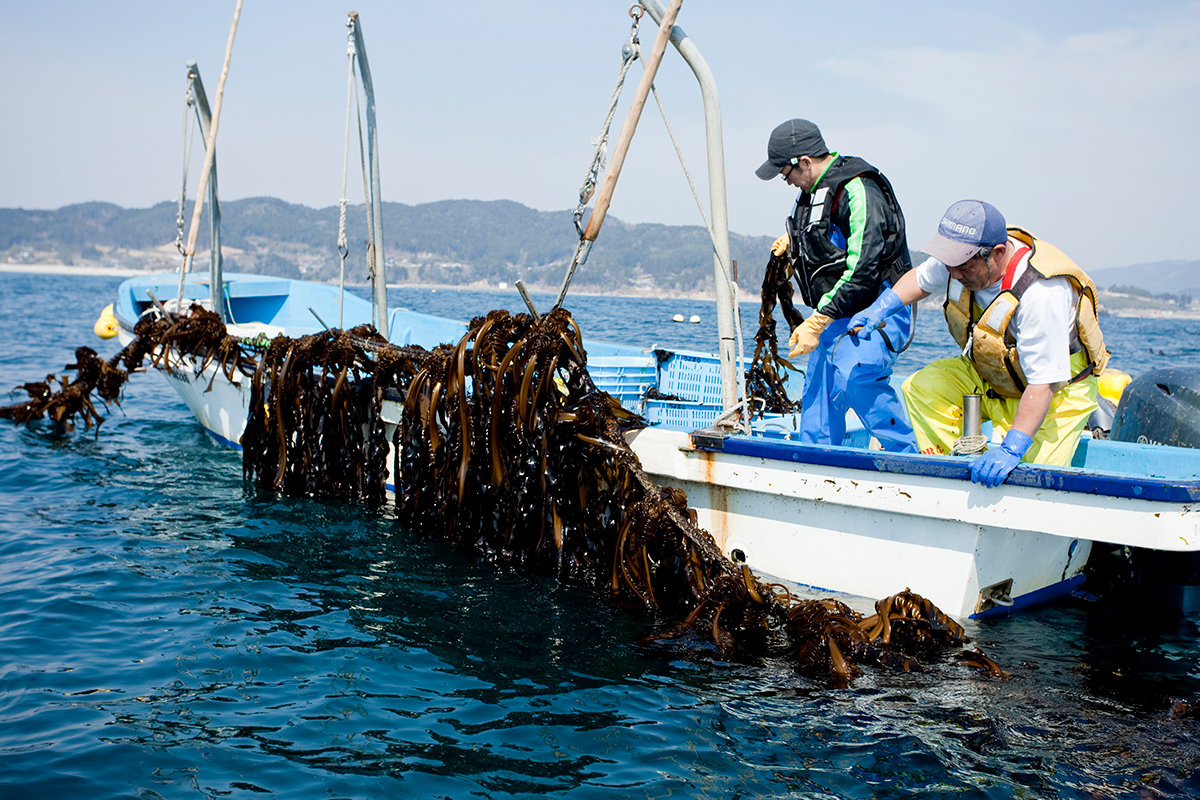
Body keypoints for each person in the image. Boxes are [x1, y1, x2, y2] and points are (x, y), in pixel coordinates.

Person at [848, 199, 1108, 487]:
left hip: (1057, 390)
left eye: (964, 267)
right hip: (994, 372)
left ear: (997, 254)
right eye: (950, 265)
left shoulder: (1040, 292)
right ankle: (955, 471)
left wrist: (1011, 449)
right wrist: (880, 308)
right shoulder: (959, 257)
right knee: (922, 387)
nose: (954, 274)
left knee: (1034, 479)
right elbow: (921, 280)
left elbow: (1044, 383)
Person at [755, 119, 916, 452]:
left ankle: (908, 456)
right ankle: (815, 466)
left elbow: (864, 266)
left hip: (879, 306)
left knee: (856, 378)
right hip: (835, 313)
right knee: (817, 396)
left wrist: (816, 321)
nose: (787, 183)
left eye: (786, 174)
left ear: (804, 161)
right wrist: (792, 241)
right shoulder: (810, 193)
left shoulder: (858, 189)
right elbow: (821, 233)